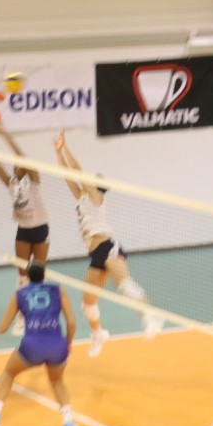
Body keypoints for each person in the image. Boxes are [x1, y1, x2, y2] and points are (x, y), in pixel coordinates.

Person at [52, 129, 163, 357]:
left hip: (108, 248)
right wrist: (58, 152)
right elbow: (67, 174)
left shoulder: (96, 197)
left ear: (96, 187)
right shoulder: (82, 197)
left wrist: (66, 147)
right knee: (88, 303)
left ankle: (150, 316)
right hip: (96, 254)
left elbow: (77, 170)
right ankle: (99, 334)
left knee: (125, 285)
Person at [0, 262, 79, 426]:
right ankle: (68, 422)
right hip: (57, 345)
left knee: (9, 373)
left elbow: (3, 328)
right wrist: (68, 344)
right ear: (44, 274)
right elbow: (71, 323)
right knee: (57, 381)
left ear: (27, 276)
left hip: (33, 346)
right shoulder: (58, 290)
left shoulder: (19, 294)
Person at [0, 123, 51, 336]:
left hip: (41, 230)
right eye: (15, 165)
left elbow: (22, 156)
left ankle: (38, 315)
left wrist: (4, 134)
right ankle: (21, 318)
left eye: (20, 164)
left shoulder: (34, 181)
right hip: (24, 231)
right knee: (22, 276)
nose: (16, 166)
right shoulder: (10, 183)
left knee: (39, 275)